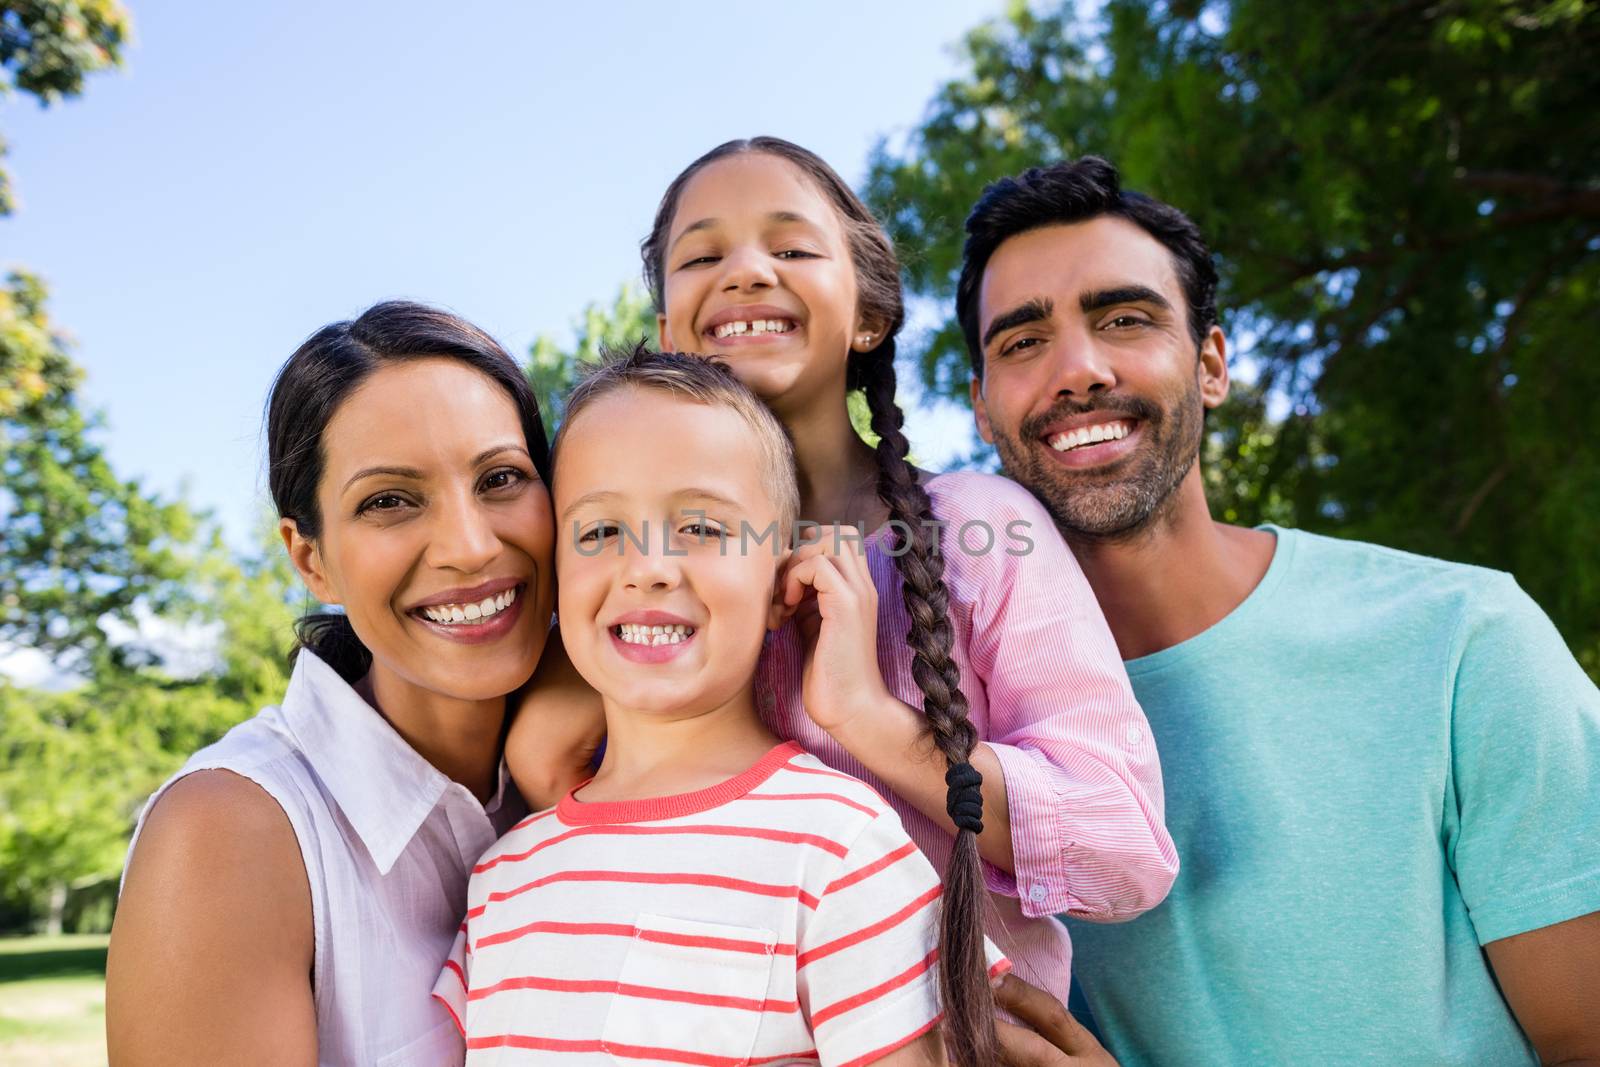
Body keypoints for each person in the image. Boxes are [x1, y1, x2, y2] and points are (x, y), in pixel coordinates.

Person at [956, 156, 1600, 1066]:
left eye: (1125, 319)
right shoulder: (946, 728)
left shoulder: (1463, 637)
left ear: (1212, 362)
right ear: (983, 407)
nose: (1078, 369)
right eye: (1022, 342)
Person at [636, 138, 1179, 1020]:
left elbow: (1124, 850)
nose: (743, 271)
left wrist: (871, 719)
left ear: (870, 315)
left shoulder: (984, 528)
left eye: (791, 247)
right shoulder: (630, 577)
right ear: (667, 332)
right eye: (701, 256)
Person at [435, 347, 1008, 1064]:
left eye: (702, 528)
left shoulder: (840, 848)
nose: (646, 566)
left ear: (781, 585)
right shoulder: (499, 879)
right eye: (600, 531)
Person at [106, 302, 559, 1065]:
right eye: (389, 500)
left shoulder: (609, 761)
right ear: (310, 558)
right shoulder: (229, 833)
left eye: (501, 478)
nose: (470, 546)